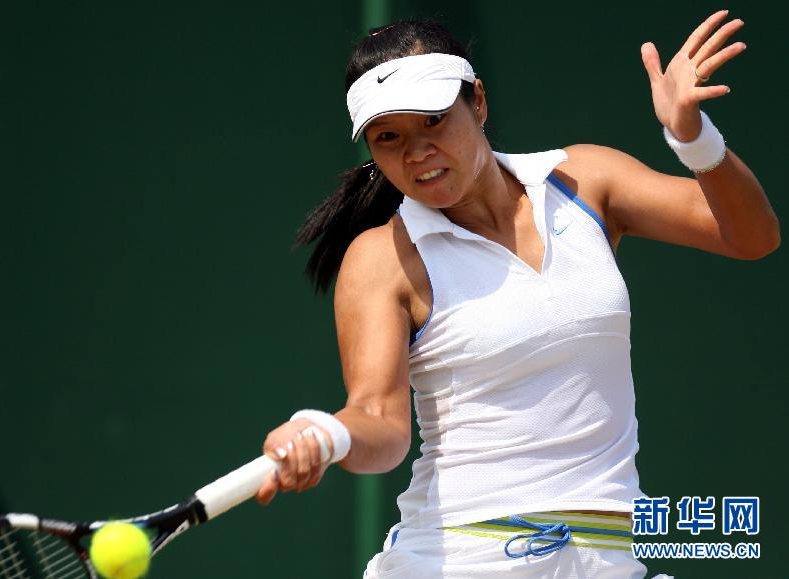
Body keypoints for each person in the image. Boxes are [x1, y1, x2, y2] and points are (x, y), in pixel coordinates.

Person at [255, 11, 778, 579]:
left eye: (433, 120)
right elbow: (378, 421)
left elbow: (752, 237)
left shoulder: (584, 182)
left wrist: (693, 138)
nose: (417, 152)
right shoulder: (382, 260)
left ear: (477, 101)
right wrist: (326, 434)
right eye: (389, 137)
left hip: (605, 562)